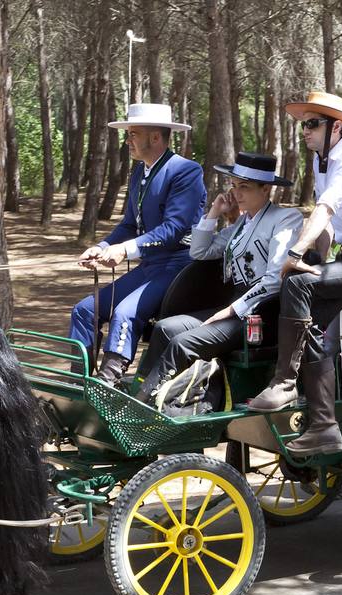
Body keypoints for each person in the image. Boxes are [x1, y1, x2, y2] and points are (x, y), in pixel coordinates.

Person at [244, 91, 342, 457]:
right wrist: (319, 257)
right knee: (312, 328)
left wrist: (296, 253)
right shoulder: (321, 162)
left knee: (298, 282)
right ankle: (324, 428)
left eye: (312, 123)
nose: (305, 130)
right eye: (303, 124)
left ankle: (285, 383)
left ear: (336, 127)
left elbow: (326, 208)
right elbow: (328, 228)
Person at [136, 152, 304, 412]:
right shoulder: (241, 225)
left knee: (183, 343)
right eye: (235, 186)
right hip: (234, 310)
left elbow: (274, 280)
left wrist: (230, 310)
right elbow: (200, 252)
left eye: (245, 187)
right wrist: (215, 211)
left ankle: (145, 404)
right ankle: (140, 387)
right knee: (166, 328)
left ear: (266, 188)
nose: (237, 194)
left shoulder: (285, 219)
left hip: (260, 315)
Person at [68, 103, 208, 383]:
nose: (127, 141)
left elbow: (173, 229)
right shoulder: (139, 173)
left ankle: (108, 383)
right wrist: (104, 246)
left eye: (133, 134)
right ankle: (78, 382)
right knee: (84, 310)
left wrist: (125, 249)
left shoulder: (185, 171)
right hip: (150, 267)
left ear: (155, 138)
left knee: (124, 314)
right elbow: (130, 224)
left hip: (178, 268)